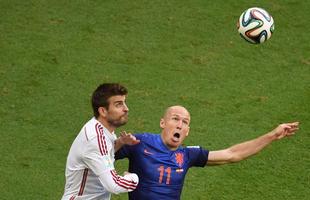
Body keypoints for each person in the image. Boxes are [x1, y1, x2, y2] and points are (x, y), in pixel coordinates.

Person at [115, 105, 299, 200]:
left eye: (185, 122)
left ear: (187, 131)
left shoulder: (188, 156)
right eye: (175, 119)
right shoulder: (140, 142)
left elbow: (232, 154)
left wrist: (272, 135)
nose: (180, 124)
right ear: (163, 123)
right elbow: (101, 155)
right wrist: (119, 144)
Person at [61, 83, 139, 200]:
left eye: (124, 102)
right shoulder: (95, 140)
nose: (126, 109)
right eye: (119, 105)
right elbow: (114, 185)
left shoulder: (101, 129)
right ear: (103, 111)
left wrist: (120, 142)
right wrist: (134, 178)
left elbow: (102, 153)